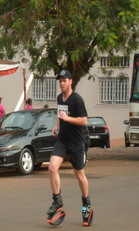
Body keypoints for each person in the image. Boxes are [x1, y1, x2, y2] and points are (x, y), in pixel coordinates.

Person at [47, 69, 93, 226]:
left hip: (76, 142)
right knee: (52, 168)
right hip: (62, 140)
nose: (62, 83)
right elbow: (61, 114)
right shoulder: (60, 97)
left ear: (70, 81)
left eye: (64, 80)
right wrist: (57, 125)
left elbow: (84, 121)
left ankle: (86, 203)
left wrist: (68, 119)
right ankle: (57, 201)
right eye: (60, 81)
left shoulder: (77, 99)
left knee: (79, 174)